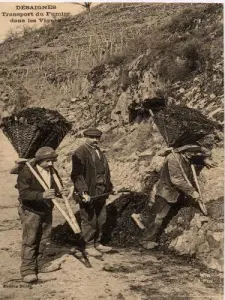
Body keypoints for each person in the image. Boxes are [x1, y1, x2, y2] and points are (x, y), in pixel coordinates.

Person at [140, 144, 212, 249]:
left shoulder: (187, 156)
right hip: (167, 192)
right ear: (185, 151)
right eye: (193, 152)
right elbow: (176, 180)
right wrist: (192, 192)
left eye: (196, 152)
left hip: (178, 194)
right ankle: (146, 240)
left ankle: (144, 219)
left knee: (158, 214)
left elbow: (202, 155)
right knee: (158, 216)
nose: (195, 154)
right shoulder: (173, 158)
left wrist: (205, 160)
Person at [17, 146, 66, 283]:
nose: (50, 164)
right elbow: (24, 194)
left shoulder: (52, 170)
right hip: (31, 210)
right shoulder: (27, 172)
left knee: (44, 238)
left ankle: (40, 264)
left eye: (52, 161)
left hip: (46, 209)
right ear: (39, 161)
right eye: (47, 161)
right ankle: (28, 269)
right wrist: (42, 195)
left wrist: (61, 192)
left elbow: (56, 188)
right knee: (30, 239)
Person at [71, 128, 114, 257]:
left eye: (97, 138)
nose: (95, 140)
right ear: (86, 137)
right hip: (88, 191)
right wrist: (83, 192)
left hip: (101, 191)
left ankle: (97, 243)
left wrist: (110, 187)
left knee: (101, 218)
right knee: (89, 219)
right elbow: (76, 175)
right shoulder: (80, 152)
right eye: (92, 138)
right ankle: (89, 245)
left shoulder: (99, 152)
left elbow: (105, 172)